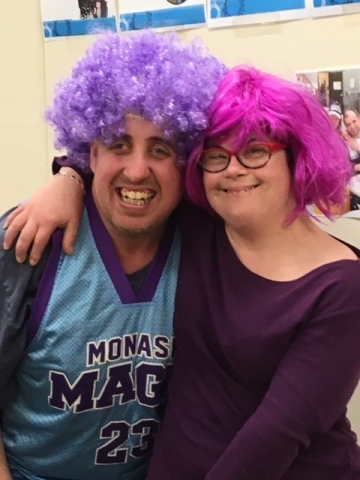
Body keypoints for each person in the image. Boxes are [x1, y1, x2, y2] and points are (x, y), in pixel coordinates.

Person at [4, 69, 360, 479]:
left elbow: (276, 437)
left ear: (296, 156)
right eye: (216, 156)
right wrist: (69, 177)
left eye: (255, 151)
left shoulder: (340, 286)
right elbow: (128, 169)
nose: (234, 169)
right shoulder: (202, 227)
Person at [0, 31, 226, 480]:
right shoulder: (29, 243)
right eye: (119, 144)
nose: (137, 169)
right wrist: (68, 178)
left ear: (186, 161)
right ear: (90, 152)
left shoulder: (206, 247)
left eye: (161, 149)